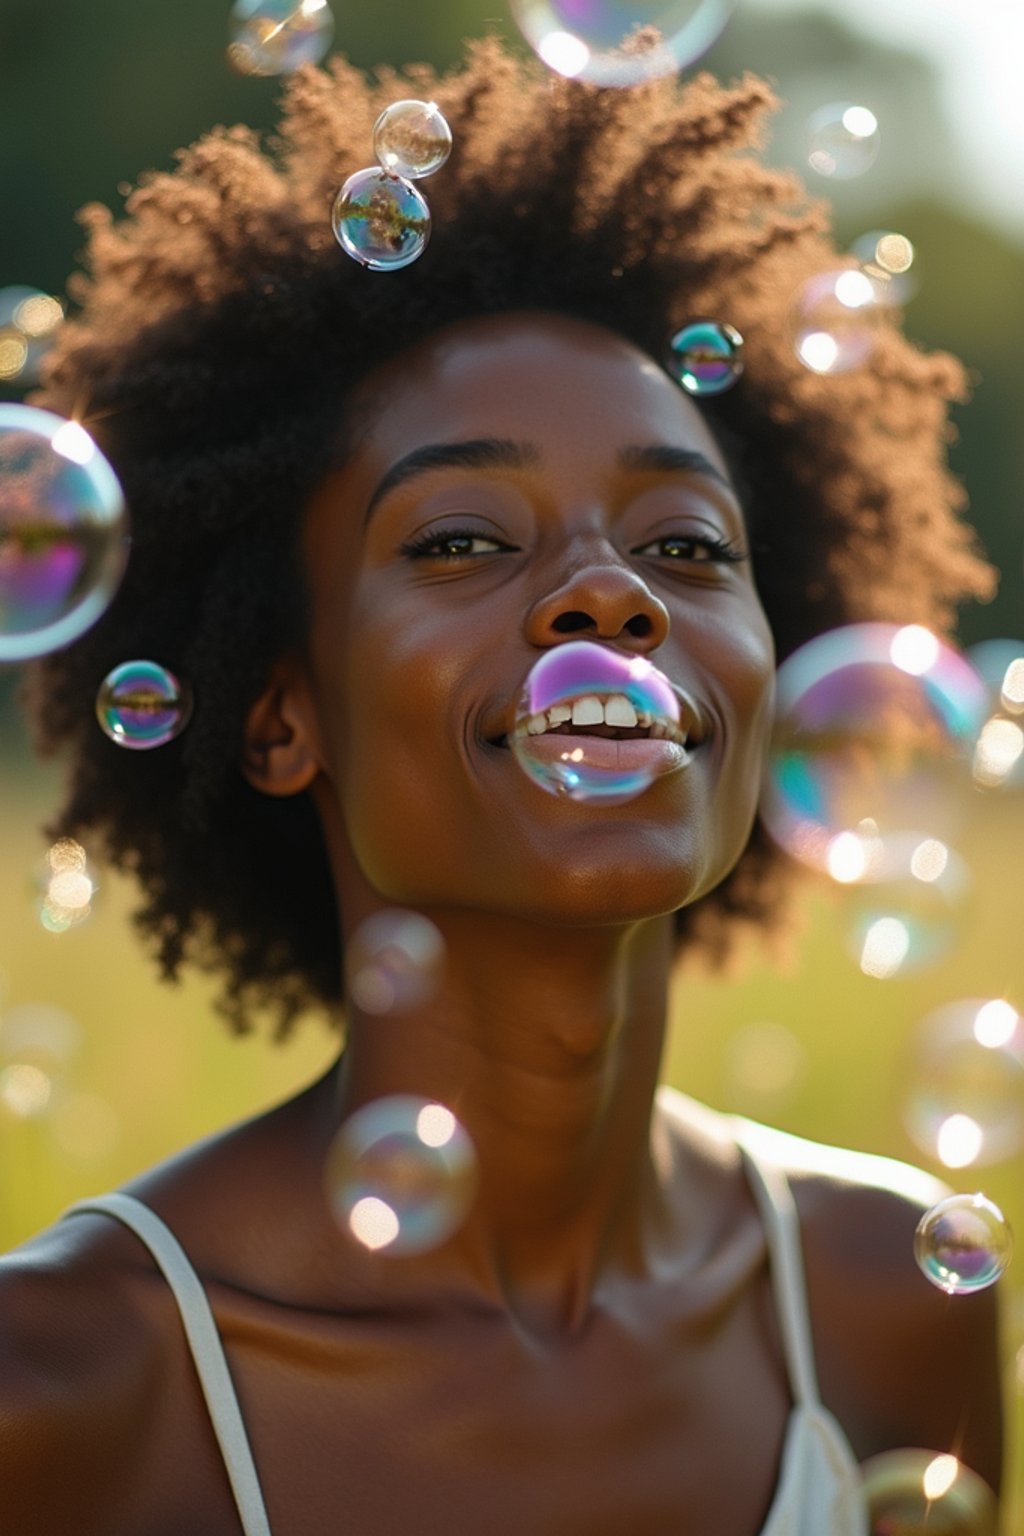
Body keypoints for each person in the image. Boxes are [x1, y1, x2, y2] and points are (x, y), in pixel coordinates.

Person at [0, 36, 1004, 1535]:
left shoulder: (887, 1301)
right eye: (463, 540)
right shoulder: (66, 1389)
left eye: (686, 546)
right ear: (279, 716)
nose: (612, 598)